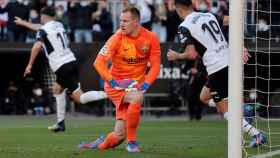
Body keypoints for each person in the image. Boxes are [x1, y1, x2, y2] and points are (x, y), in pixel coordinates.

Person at [167, 0, 266, 148]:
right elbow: (233, 19)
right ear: (191, 5)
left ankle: (257, 135)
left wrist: (177, 56)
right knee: (204, 97)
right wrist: (241, 44)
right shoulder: (208, 15)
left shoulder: (184, 26)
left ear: (178, 9)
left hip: (217, 68)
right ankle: (243, 110)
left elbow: (191, 54)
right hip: (230, 61)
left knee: (224, 110)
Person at [78, 7, 161, 153]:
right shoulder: (116, 38)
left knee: (119, 135)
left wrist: (145, 84)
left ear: (136, 22)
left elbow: (155, 66)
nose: (121, 24)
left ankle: (99, 144)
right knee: (137, 98)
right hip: (115, 86)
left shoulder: (151, 38)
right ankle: (132, 143)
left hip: (134, 86)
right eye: (120, 20)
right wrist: (113, 82)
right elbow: (98, 63)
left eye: (125, 21)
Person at [15, 6, 107, 132]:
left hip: (61, 66)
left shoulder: (43, 30)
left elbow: (36, 46)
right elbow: (40, 28)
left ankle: (110, 93)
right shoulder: (58, 25)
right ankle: (60, 123)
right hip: (70, 61)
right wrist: (23, 23)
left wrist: (29, 65)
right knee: (57, 89)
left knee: (80, 98)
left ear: (43, 16)